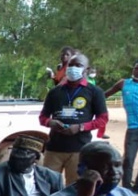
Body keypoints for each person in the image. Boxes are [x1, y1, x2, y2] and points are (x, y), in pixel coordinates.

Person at [39, 52, 108, 185]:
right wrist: (50, 122)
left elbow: (103, 119)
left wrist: (80, 127)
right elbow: (42, 117)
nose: (73, 68)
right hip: (54, 148)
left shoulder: (95, 92)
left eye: (78, 65)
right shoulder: (55, 92)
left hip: (80, 150)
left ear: (86, 69)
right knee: (47, 187)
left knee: (75, 188)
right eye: (70, 65)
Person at [104, 60, 138, 193]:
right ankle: (126, 189)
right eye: (137, 68)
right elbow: (104, 95)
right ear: (133, 69)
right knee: (128, 159)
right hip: (133, 129)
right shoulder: (123, 83)